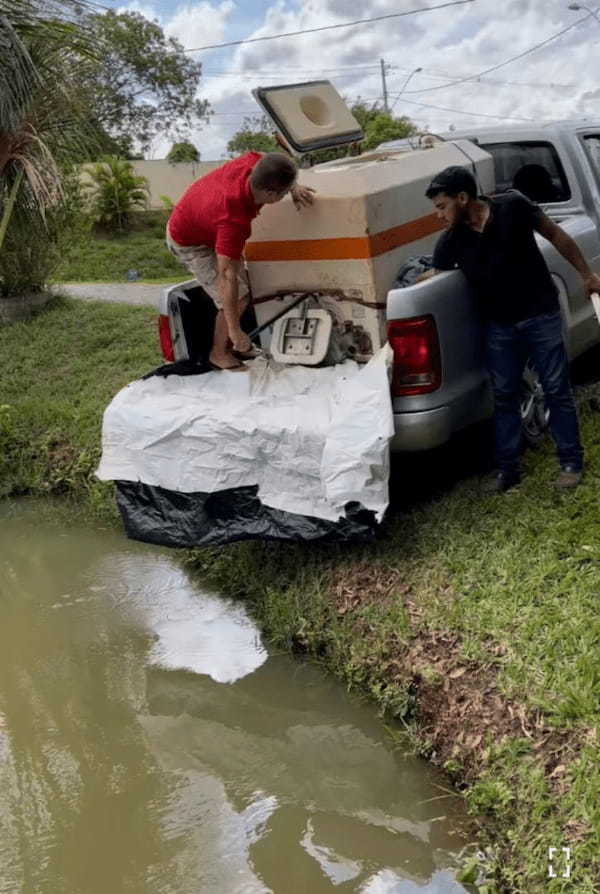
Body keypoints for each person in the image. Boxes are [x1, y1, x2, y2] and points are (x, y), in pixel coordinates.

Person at [423, 165, 600, 492]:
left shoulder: (513, 205)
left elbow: (556, 234)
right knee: (504, 397)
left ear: (463, 198)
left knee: (556, 388)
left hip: (540, 314)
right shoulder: (450, 242)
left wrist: (586, 275)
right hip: (499, 327)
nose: (438, 215)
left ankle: (571, 462)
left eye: (442, 206)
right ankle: (507, 471)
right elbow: (436, 281)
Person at [166, 151, 315, 371]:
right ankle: (219, 353)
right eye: (283, 194)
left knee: (245, 284)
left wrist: (294, 187)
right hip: (189, 241)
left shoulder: (253, 163)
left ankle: (237, 341)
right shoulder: (233, 219)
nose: (283, 197)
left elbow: (272, 160)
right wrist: (235, 330)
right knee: (239, 296)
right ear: (271, 194)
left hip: (205, 223)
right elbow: (227, 276)